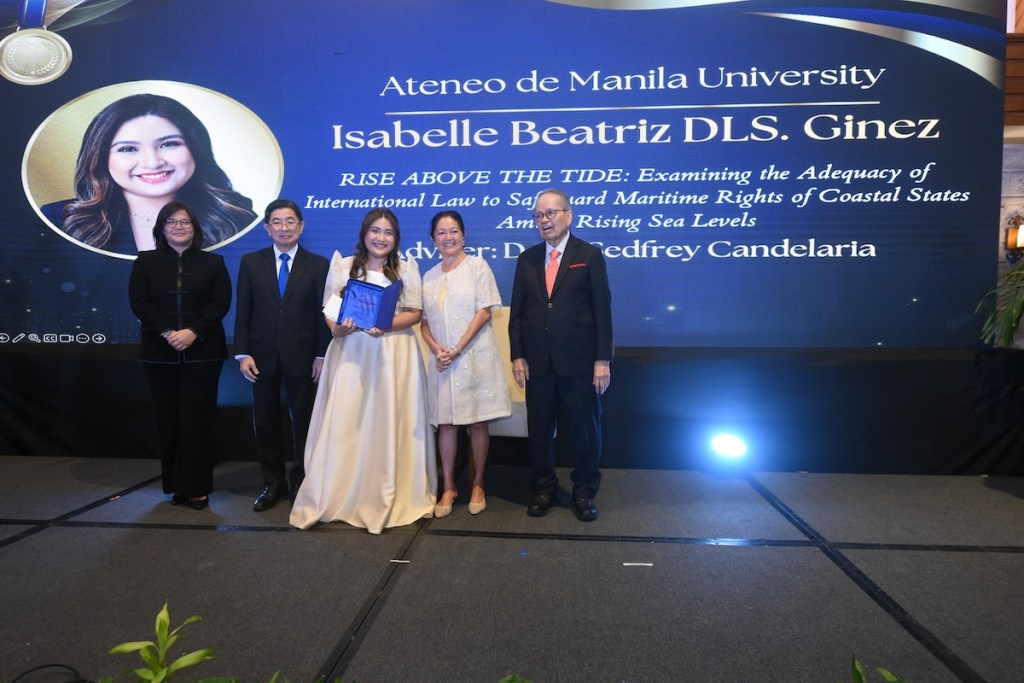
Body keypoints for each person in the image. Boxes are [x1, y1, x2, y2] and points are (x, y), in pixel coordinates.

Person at [290, 208, 437, 534]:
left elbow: (414, 313)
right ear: (364, 233)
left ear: (396, 238)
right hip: (351, 354)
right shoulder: (343, 266)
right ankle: (341, 493)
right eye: (375, 230)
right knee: (348, 420)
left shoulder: (405, 268)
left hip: (393, 354)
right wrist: (339, 329)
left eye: (388, 232)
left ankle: (388, 492)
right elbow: (330, 310)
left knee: (389, 420)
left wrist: (385, 325)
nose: (381, 238)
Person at [42, 93, 257, 255]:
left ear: (196, 149)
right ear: (100, 158)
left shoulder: (236, 218)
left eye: (169, 144)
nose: (153, 163)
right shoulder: (58, 220)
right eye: (128, 149)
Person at [509, 188, 613, 522]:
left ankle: (584, 491)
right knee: (539, 432)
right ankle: (544, 488)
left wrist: (602, 360)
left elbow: (602, 312)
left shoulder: (590, 255)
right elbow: (518, 313)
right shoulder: (527, 259)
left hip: (580, 363)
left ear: (569, 215)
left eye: (550, 213)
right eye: (538, 215)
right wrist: (517, 355)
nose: (544, 220)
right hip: (538, 364)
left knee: (585, 433)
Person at [128, 201, 232, 509]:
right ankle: (176, 486)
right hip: (159, 353)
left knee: (198, 421)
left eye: (185, 222)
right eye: (171, 222)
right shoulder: (145, 262)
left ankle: (198, 488)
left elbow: (220, 303)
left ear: (195, 228)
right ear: (161, 228)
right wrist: (167, 332)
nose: (178, 227)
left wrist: (193, 332)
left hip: (203, 353)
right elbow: (140, 303)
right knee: (169, 420)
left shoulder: (213, 263)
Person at [234, 199, 331, 511]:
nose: (284, 227)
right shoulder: (251, 262)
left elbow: (323, 314)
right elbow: (243, 310)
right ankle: (272, 482)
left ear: (301, 226)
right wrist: (243, 353)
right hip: (260, 356)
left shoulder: (318, 265)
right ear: (267, 228)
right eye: (277, 222)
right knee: (265, 421)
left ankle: (301, 481)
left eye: (290, 221)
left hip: (303, 356)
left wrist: (321, 355)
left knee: (304, 421)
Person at [420, 210, 511, 517]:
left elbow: (484, 311)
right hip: (443, 361)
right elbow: (424, 322)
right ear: (433, 239)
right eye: (442, 232)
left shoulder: (478, 266)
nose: (448, 237)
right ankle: (449, 486)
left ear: (463, 235)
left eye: (454, 231)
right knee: (445, 423)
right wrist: (437, 349)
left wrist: (458, 348)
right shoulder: (429, 276)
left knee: (477, 422)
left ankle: (478, 483)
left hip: (473, 356)